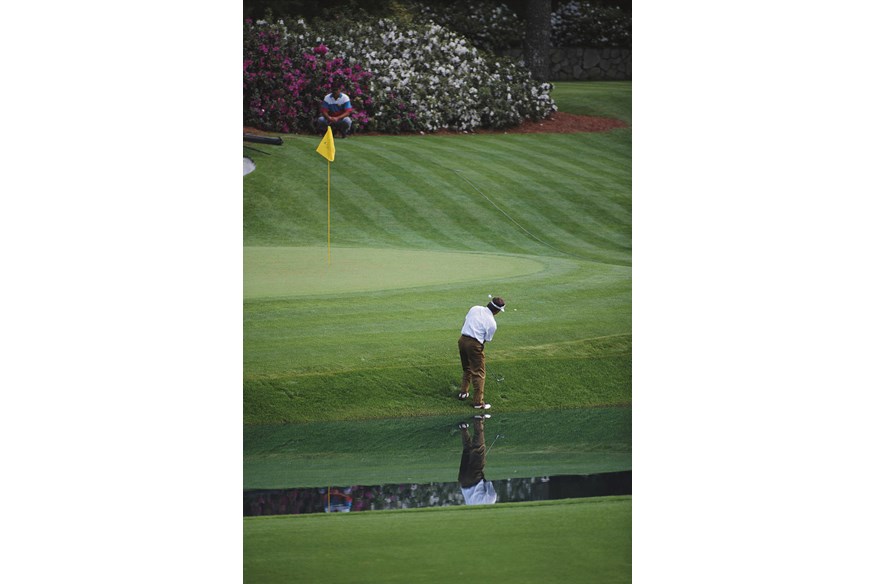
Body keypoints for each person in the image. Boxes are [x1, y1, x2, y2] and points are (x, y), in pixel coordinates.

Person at [457, 296, 505, 410]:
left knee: (467, 367)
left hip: (462, 340)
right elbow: (485, 340)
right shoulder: (492, 323)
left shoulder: (475, 308)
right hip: (474, 344)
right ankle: (478, 403)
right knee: (479, 373)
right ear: (497, 311)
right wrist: (478, 350)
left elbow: (465, 321)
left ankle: (463, 393)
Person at [457, 415, 497, 505]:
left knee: (478, 449)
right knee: (467, 452)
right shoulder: (472, 507)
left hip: (474, 479)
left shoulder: (490, 502)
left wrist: (481, 476)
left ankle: (478, 420)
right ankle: (463, 428)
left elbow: (490, 488)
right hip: (462, 481)